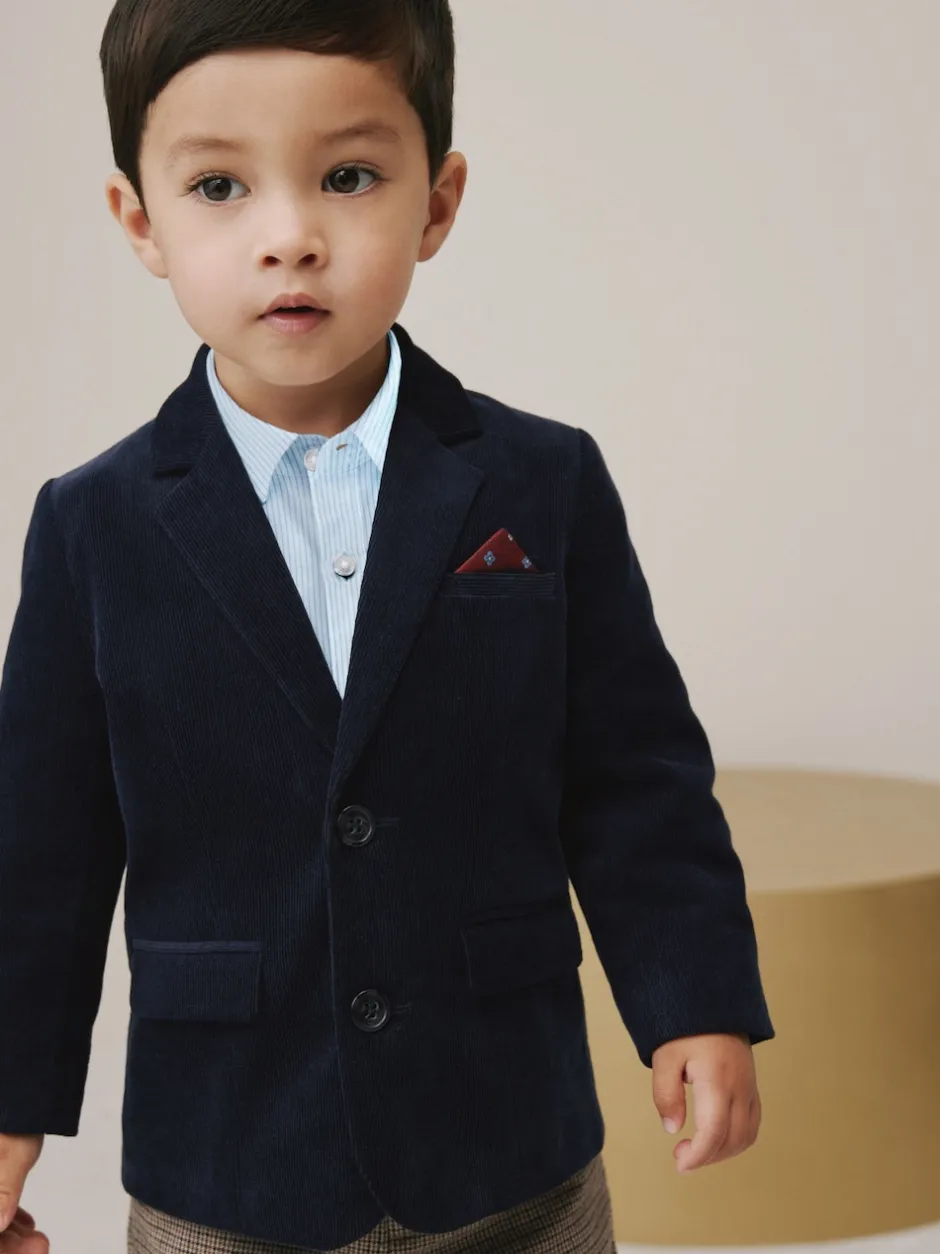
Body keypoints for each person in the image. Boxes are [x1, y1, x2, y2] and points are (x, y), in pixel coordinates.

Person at [0, 1, 775, 1251]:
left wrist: (695, 999)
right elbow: (40, 851)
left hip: (511, 1152)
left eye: (348, 177)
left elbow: (632, 777)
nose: (289, 238)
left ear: (438, 203)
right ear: (139, 221)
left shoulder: (543, 481)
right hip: (228, 1166)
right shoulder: (93, 525)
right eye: (218, 187)